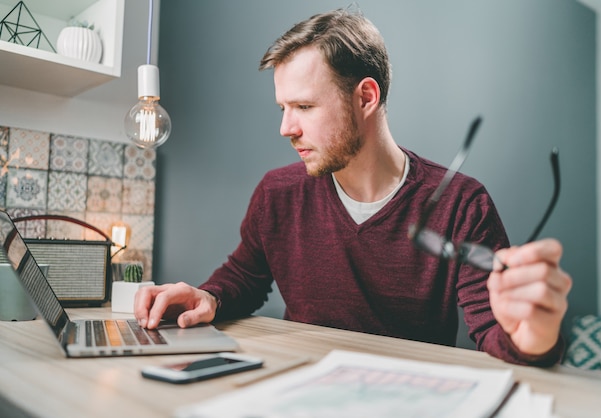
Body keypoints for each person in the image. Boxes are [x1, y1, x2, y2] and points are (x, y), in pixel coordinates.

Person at [135, 8, 572, 366]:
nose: (286, 128)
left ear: (366, 97)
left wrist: (532, 339)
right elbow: (245, 277)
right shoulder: (277, 194)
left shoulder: (460, 202)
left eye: (304, 106)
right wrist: (208, 296)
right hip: (296, 389)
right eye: (284, 107)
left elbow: (495, 330)